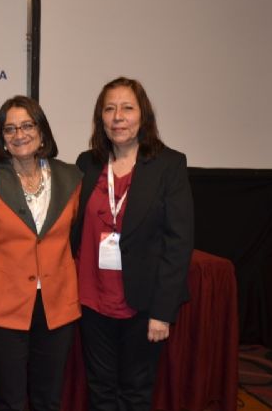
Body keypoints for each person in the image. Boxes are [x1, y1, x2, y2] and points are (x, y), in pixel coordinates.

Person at [70, 76, 194, 411]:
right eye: (109, 109)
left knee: (136, 392)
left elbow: (178, 243)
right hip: (92, 299)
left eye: (127, 108)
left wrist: (162, 312)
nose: (117, 117)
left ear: (143, 116)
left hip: (142, 303)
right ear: (101, 119)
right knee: (100, 390)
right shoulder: (87, 163)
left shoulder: (169, 165)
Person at [0, 96, 82, 411]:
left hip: (56, 308)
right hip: (0, 309)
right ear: (2, 138)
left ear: (42, 131)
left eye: (27, 126)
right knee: (10, 400)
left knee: (48, 399)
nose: (19, 135)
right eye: (10, 129)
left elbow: (76, 237)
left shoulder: (72, 179)